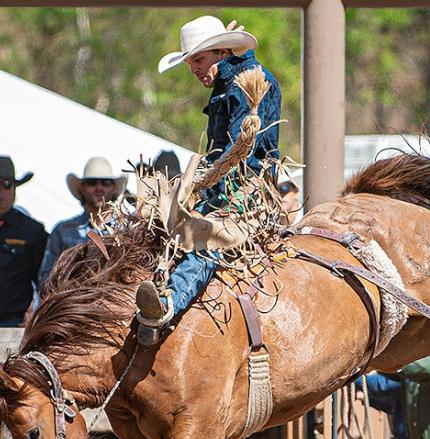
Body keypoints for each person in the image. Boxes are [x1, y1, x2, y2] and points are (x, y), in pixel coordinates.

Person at [136, 15, 282, 342]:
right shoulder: (227, 84)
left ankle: (167, 302)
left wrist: (202, 183)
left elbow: (240, 152)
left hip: (246, 191)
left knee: (208, 238)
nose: (196, 70)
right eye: (190, 65)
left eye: (199, 60)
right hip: (219, 188)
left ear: (221, 52)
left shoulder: (249, 82)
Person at [38, 157, 127, 286]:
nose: (99, 187)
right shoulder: (63, 231)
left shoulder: (126, 231)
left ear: (113, 188)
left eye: (106, 182)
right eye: (92, 182)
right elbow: (44, 279)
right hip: (72, 303)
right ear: (82, 189)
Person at [0, 156, 47, 327]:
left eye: (6, 185)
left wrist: (38, 312)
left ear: (14, 188)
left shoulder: (32, 230)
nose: (1, 193)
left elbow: (46, 278)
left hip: (15, 322)